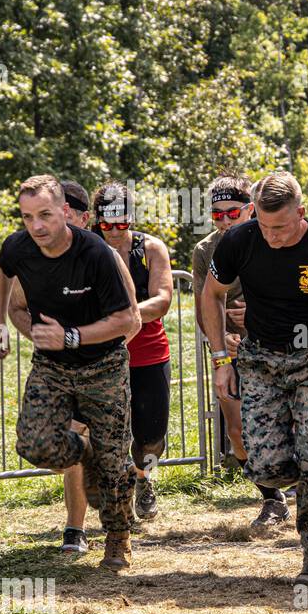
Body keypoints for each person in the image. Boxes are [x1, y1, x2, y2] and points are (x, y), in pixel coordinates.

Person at [201, 171, 308, 586]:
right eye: (264, 226)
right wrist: (221, 358)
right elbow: (211, 294)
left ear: (301, 212)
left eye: (280, 227)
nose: (272, 236)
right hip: (261, 360)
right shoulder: (240, 240)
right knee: (265, 466)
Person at [0, 175, 142, 570]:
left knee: (114, 463)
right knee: (34, 444)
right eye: (27, 217)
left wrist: (71, 336)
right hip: (52, 366)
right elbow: (2, 270)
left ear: (65, 211)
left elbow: (127, 320)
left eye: (44, 215)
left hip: (103, 366)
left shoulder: (95, 253)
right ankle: (85, 453)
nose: (36, 226)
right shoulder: (18, 246)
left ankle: (117, 538)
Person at [191, 175, 291, 529]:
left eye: (231, 213)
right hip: (231, 351)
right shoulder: (205, 250)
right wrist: (220, 342)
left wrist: (261, 316)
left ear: (250, 209)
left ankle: (302, 482)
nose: (224, 221)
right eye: (216, 214)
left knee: (285, 423)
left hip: (279, 346)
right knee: (237, 432)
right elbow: (203, 306)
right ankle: (272, 498)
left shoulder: (275, 235)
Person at [88, 183, 173, 521]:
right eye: (106, 224)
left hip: (149, 354)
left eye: (121, 223)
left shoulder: (150, 248)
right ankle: (113, 495)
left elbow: (162, 300)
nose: (113, 231)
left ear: (131, 218)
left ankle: (144, 477)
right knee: (105, 434)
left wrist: (124, 318)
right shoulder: (86, 249)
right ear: (96, 220)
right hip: (100, 356)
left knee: (151, 437)